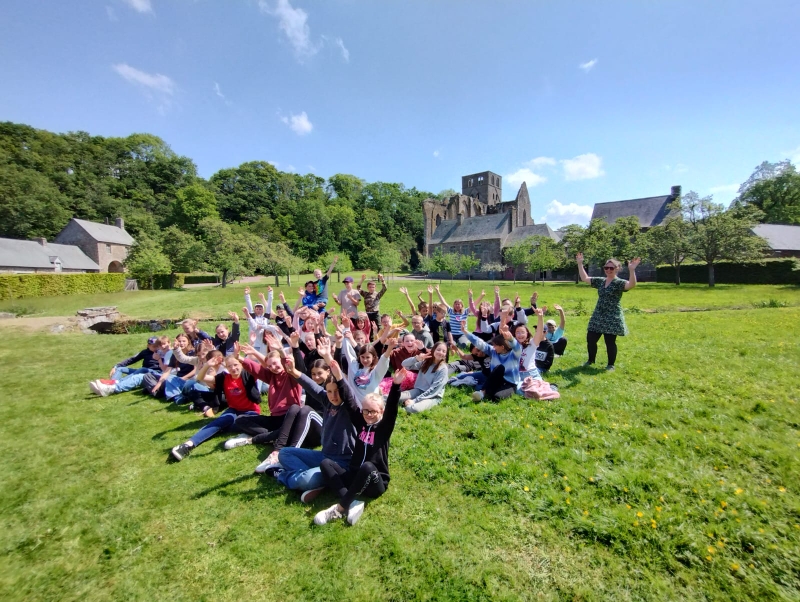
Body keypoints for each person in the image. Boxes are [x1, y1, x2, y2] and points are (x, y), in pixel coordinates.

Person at [314, 366, 405, 527]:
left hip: (375, 482)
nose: (368, 415)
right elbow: (349, 400)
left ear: (381, 411)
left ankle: (340, 508)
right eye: (365, 411)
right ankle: (352, 502)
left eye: (373, 412)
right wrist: (339, 377)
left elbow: (392, 409)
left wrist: (396, 385)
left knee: (367, 466)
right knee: (326, 463)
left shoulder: (384, 428)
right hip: (354, 475)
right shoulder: (361, 422)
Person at [275, 338, 358, 503]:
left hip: (342, 463)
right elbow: (311, 386)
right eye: (329, 391)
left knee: (306, 480)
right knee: (284, 453)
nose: (333, 396)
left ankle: (284, 476)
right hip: (324, 455)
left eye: (337, 391)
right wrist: (293, 371)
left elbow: (343, 384)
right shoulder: (327, 400)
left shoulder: (350, 406)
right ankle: (314, 477)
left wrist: (328, 357)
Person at [170, 354, 262, 461]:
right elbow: (200, 378)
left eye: (236, 365)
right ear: (226, 367)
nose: (233, 368)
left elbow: (261, 369)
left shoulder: (248, 375)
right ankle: (188, 445)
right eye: (229, 366)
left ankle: (240, 434)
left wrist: (246, 356)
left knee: (229, 424)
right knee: (221, 422)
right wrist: (207, 365)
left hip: (250, 412)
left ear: (241, 365)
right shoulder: (224, 378)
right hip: (233, 410)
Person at [576, 254, 640, 371]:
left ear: (617, 269)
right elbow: (585, 278)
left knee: (610, 342)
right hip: (598, 314)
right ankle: (590, 361)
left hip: (612, 316)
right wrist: (580, 263)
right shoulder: (601, 281)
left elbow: (631, 285)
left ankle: (611, 365)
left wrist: (632, 270)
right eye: (606, 268)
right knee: (591, 339)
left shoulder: (619, 282)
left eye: (611, 268)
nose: (608, 270)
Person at [89, 336, 169, 396]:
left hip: (153, 372)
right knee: (120, 369)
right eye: (153, 346)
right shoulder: (144, 352)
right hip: (141, 371)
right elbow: (132, 359)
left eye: (157, 346)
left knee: (143, 369)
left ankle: (115, 384)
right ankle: (112, 383)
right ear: (148, 345)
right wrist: (116, 366)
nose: (156, 348)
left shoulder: (161, 352)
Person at [464, 319, 522, 402]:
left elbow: (517, 347)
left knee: (496, 397)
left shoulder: (514, 355)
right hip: (496, 380)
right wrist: (465, 332)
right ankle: (482, 392)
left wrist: (511, 339)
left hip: (510, 383)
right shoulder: (493, 352)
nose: (493, 347)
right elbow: (479, 343)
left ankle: (487, 391)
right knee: (500, 368)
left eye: (495, 345)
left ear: (502, 347)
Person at [399, 341, 449, 413]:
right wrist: (416, 359)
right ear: (433, 350)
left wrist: (414, 401)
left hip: (433, 396)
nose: (441, 352)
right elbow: (404, 364)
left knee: (413, 409)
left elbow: (434, 389)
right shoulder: (426, 362)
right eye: (438, 350)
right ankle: (382, 401)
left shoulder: (443, 369)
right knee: (396, 397)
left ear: (446, 354)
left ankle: (402, 409)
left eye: (444, 351)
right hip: (418, 390)